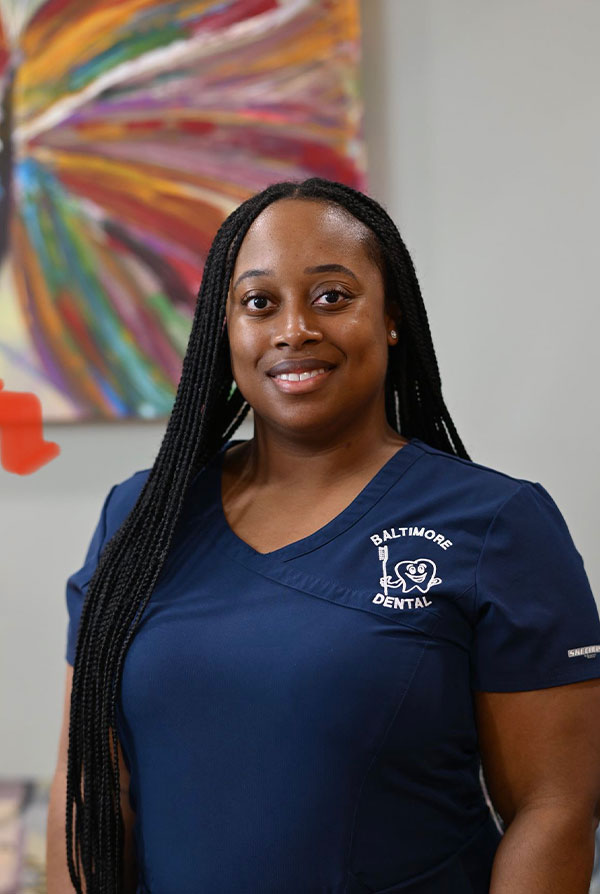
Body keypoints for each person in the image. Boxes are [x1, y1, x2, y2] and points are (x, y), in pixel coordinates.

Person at [47, 177, 600, 894]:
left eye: (332, 296)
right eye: (258, 303)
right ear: (227, 328)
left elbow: (556, 805)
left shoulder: (497, 524)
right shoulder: (140, 519)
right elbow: (87, 785)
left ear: (392, 317)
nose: (294, 329)